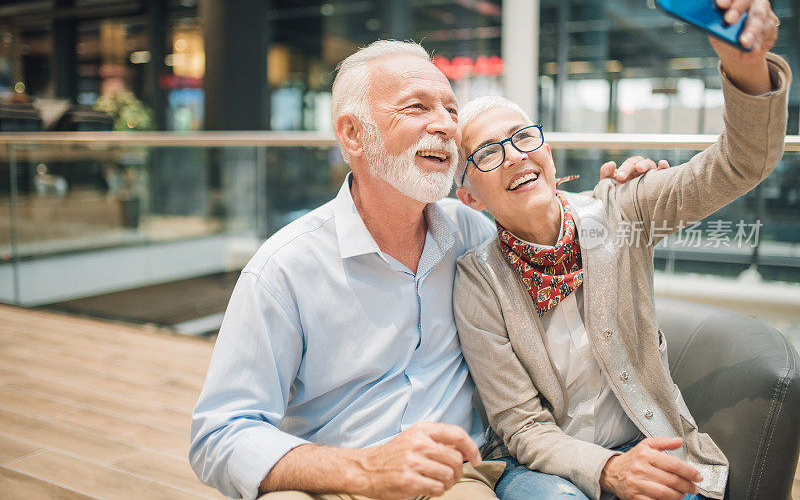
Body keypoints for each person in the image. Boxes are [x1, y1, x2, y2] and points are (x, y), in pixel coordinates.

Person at [189, 38, 660, 500]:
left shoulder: (473, 236)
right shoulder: (283, 270)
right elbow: (219, 435)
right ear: (353, 135)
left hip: (458, 480)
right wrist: (365, 470)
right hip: (338, 479)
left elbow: (552, 227)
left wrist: (616, 199)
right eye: (416, 108)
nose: (446, 127)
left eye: (451, 111)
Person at [452, 0, 789, 500]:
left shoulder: (621, 209)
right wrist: (609, 471)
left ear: (546, 148)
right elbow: (521, 427)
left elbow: (740, 164)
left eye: (523, 137)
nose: (515, 155)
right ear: (469, 196)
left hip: (650, 441)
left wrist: (745, 65)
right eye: (488, 153)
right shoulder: (478, 279)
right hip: (545, 470)